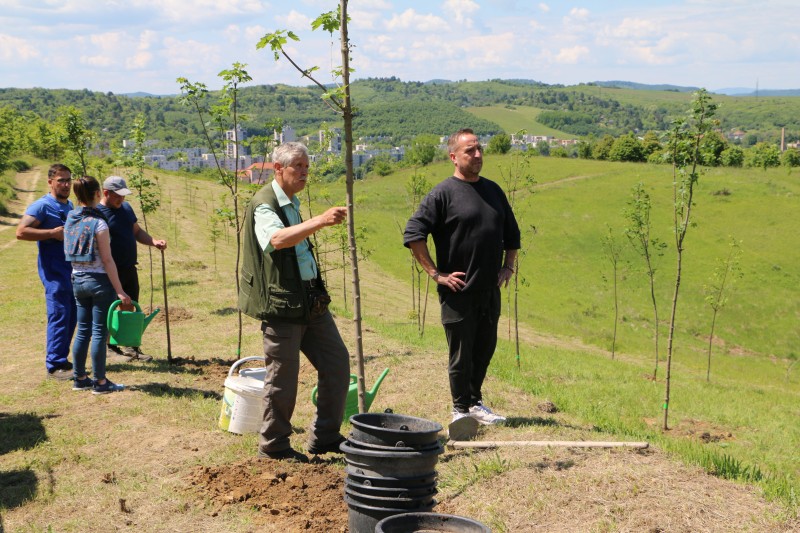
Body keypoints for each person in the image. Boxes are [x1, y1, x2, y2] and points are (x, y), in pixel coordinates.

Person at [239, 142, 350, 463]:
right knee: (283, 379)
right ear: (278, 169)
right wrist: (320, 221)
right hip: (282, 305)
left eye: (306, 167)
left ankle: (325, 436)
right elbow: (276, 240)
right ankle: (274, 446)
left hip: (310, 302)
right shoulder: (264, 204)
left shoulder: (290, 201)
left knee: (336, 364)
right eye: (297, 166)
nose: (304, 172)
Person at [404, 128, 521, 425]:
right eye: (470, 151)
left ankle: (475, 402)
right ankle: (460, 410)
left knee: (484, 350)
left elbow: (512, 234)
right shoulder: (442, 194)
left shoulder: (494, 191)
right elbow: (414, 233)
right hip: (458, 292)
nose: (478, 155)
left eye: (479, 149)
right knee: (461, 354)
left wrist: (508, 266)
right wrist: (436, 274)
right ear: (453, 157)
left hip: (489, 289)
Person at [64, 176, 131, 394]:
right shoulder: (99, 223)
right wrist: (120, 290)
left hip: (77, 279)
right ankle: (100, 382)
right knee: (99, 333)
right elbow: (108, 260)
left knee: (82, 331)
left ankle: (79, 378)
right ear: (97, 194)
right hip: (99, 282)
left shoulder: (71, 218)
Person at [16, 163, 77, 380]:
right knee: (59, 315)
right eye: (61, 180)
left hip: (70, 271)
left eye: (68, 180)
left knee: (71, 315)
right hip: (53, 272)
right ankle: (54, 365)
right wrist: (51, 233)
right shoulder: (42, 206)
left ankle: (62, 359)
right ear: (50, 182)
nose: (66, 184)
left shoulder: (69, 205)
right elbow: (21, 232)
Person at [97, 176, 167, 362]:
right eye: (117, 196)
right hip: (109, 270)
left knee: (130, 306)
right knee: (110, 309)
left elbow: (136, 231)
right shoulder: (97, 213)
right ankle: (109, 347)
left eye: (124, 195)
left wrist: (153, 241)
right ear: (106, 193)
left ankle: (130, 346)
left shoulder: (126, 208)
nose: (122, 199)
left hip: (129, 267)